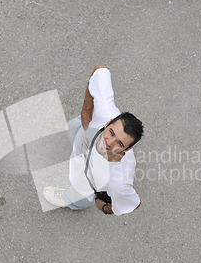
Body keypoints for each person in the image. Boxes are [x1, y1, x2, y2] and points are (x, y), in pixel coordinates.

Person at [43, 65, 144, 215]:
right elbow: (99, 70)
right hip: (83, 133)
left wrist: (104, 207)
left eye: (120, 144)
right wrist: (86, 112)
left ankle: (69, 199)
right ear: (108, 123)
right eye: (111, 132)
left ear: (127, 150)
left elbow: (133, 204)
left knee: (80, 193)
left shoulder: (118, 181)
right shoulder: (105, 111)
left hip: (88, 181)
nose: (109, 142)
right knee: (72, 129)